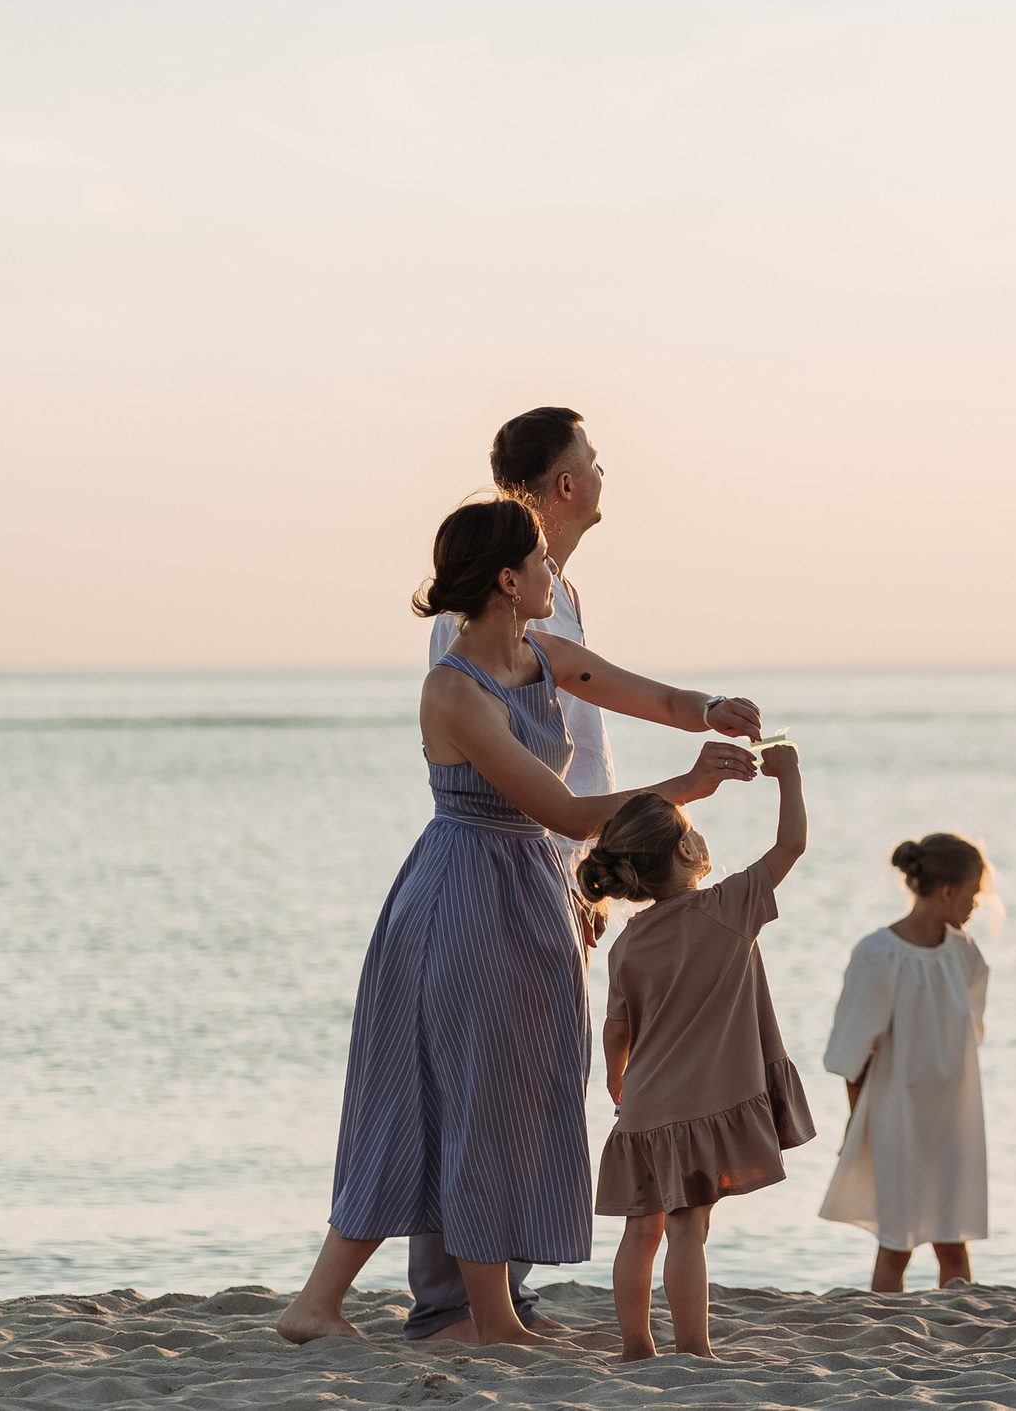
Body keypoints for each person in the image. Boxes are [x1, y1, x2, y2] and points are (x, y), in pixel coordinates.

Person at [278, 498, 764, 1347]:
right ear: (509, 580)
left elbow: (640, 689)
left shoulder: (542, 654)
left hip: (526, 890)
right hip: (463, 895)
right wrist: (685, 789)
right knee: (462, 1097)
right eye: (541, 560)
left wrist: (712, 706)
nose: (553, 572)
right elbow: (568, 811)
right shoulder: (454, 688)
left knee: (501, 1096)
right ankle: (449, 1314)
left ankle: (402, 1309)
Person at [407, 405, 631, 1342]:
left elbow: (613, 704)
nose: (605, 469)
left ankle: (499, 1288)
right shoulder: (483, 625)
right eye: (592, 458)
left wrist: (590, 874)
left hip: (553, 865)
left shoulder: (555, 599)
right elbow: (535, 777)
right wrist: (592, 854)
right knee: (479, 1081)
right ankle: (457, 1300)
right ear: (563, 483)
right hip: (510, 862)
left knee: (538, 1079)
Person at [582, 763, 815, 1360]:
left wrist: (617, 1083)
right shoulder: (729, 907)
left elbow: (616, 1030)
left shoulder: (627, 943)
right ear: (688, 846)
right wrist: (788, 778)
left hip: (644, 1108)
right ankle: (694, 1349)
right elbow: (791, 844)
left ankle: (636, 1347)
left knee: (641, 1231)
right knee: (689, 1229)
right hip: (700, 1108)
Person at [818, 833, 994, 1292]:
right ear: (947, 891)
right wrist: (859, 1124)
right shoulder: (878, 954)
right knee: (896, 1243)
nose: (977, 904)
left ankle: (958, 1339)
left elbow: (967, 1035)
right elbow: (852, 1055)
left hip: (954, 1116)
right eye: (974, 892)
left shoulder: (966, 954)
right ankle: (882, 1337)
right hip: (897, 1116)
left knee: (954, 1240)